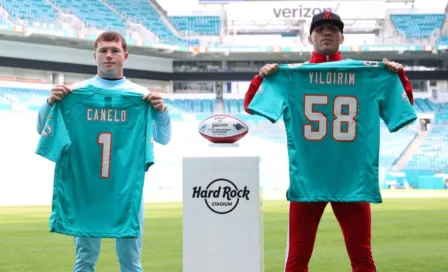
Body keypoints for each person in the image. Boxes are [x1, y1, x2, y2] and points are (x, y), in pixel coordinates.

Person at [244, 12, 415, 272]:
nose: (326, 32)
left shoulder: (368, 75)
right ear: (309, 37)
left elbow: (404, 109)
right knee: (297, 259)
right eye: (320, 28)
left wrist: (397, 77)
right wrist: (261, 78)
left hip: (351, 181)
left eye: (333, 29)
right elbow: (251, 106)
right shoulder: (290, 78)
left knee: (362, 258)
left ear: (342, 37)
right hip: (309, 181)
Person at [36, 31, 171, 272]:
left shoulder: (141, 97)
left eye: (115, 50)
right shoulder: (73, 94)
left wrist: (162, 112)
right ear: (95, 55)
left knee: (130, 260)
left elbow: (164, 138)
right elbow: (42, 129)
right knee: (85, 260)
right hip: (87, 189)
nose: (109, 56)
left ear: (125, 56)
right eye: (103, 51)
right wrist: (49, 104)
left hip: (126, 189)